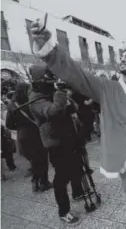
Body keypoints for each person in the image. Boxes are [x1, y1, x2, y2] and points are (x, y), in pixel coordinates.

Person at [30, 20, 126, 229]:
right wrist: (49, 47)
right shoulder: (107, 88)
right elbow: (76, 73)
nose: (123, 58)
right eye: (122, 56)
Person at [28, 64, 85, 225]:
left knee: (76, 167)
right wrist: (60, 93)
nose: (51, 82)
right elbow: (52, 112)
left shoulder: (51, 91)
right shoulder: (35, 98)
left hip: (69, 137)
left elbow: (74, 107)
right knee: (61, 177)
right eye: (48, 79)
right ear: (39, 80)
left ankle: (77, 192)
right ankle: (63, 211)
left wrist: (66, 94)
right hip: (55, 142)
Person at [6, 82, 52, 192]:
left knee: (34, 161)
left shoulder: (12, 105)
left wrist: (20, 126)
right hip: (36, 133)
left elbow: (9, 125)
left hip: (23, 136)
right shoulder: (32, 102)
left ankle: (35, 182)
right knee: (43, 159)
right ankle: (44, 182)